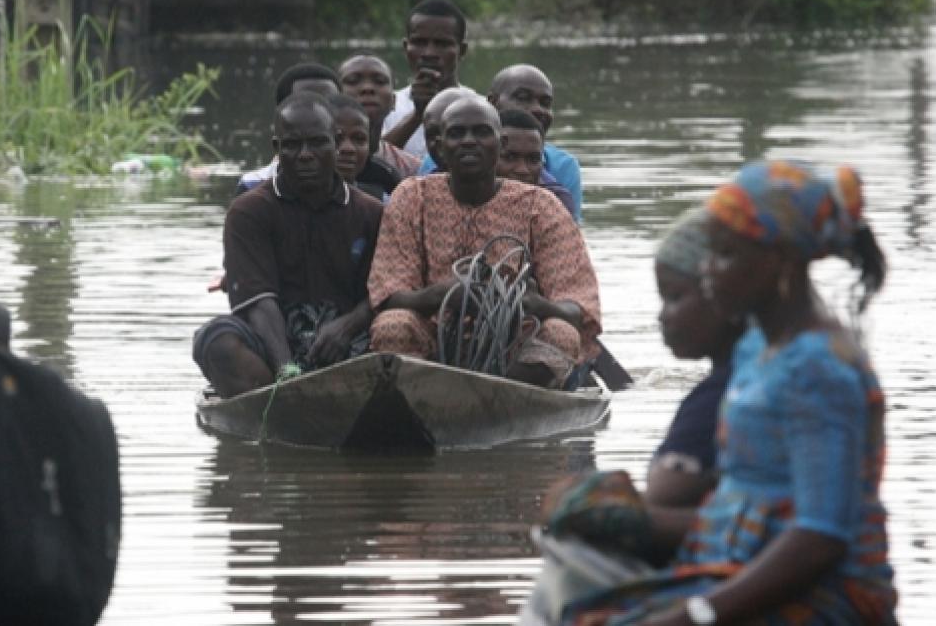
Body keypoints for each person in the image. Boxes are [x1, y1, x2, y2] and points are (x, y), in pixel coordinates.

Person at [562, 161, 895, 625]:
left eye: (725, 254)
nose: (711, 271)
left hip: (828, 598)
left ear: (778, 261)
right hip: (733, 565)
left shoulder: (819, 369)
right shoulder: (761, 348)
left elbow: (821, 538)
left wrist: (695, 615)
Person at [366, 97, 601, 390]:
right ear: (438, 147)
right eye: (456, 134)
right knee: (392, 325)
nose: (468, 142)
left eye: (481, 132)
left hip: (515, 339)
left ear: (500, 145)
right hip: (433, 331)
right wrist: (444, 294)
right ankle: (427, 398)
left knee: (561, 334)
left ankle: (503, 400)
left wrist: (529, 303)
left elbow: (577, 307)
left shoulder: (540, 206)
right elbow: (389, 294)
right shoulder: (412, 197)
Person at [194, 92, 384, 398]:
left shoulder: (370, 213)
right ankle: (276, 404)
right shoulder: (248, 211)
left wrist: (346, 328)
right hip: (273, 341)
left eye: (317, 142)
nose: (305, 154)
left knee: (396, 332)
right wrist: (286, 368)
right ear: (276, 148)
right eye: (292, 145)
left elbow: (382, 290)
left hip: (345, 342)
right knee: (215, 340)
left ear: (335, 143)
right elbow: (257, 299)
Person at [646, 207, 745, 508]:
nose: (662, 317)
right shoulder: (750, 374)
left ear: (721, 293)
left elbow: (664, 491)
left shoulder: (726, 394)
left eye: (675, 297)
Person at [489, 65, 583, 221]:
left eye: (545, 103)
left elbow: (569, 236)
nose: (537, 109)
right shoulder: (449, 164)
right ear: (493, 103)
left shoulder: (562, 172)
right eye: (523, 98)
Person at [381, 0, 469, 158]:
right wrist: (417, 116)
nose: (429, 53)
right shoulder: (387, 106)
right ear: (405, 47)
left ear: (461, 50)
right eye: (419, 42)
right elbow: (372, 165)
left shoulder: (480, 107)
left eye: (442, 44)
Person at [236, 62, 341, 194]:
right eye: (304, 103)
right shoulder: (253, 185)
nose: (317, 110)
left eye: (327, 103)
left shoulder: (360, 183)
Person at [337, 53, 421, 178]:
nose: (367, 88)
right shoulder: (321, 161)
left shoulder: (411, 169)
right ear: (335, 94)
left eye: (380, 81)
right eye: (353, 81)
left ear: (393, 101)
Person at [497, 108, 577, 220]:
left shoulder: (556, 202)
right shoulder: (467, 197)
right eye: (510, 157)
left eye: (533, 160)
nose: (522, 170)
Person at [415, 86, 481, 175]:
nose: (439, 142)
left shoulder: (503, 180)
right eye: (432, 134)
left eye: (454, 133)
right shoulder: (419, 184)